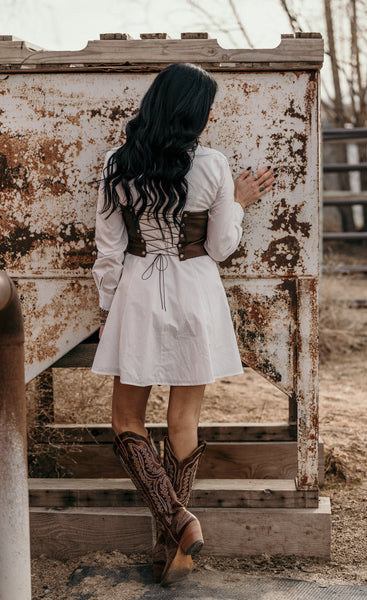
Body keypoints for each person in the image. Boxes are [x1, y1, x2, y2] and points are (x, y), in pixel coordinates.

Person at [91, 62, 277, 586]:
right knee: (182, 423)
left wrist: (109, 312)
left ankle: (175, 527)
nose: (212, 114)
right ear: (194, 113)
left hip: (137, 291)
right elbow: (219, 247)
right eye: (207, 107)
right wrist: (237, 203)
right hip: (197, 292)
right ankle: (176, 532)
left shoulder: (117, 162)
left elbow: (108, 252)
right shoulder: (215, 164)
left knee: (127, 419)